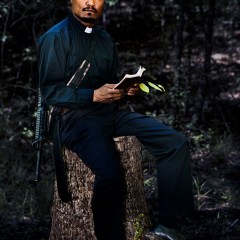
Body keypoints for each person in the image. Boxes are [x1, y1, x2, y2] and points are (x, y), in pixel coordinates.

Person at [37, 0, 194, 239]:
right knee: (109, 173)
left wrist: (125, 90)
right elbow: (50, 92)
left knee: (174, 143)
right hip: (74, 120)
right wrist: (92, 95)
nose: (90, 3)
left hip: (108, 113)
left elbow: (110, 85)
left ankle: (168, 225)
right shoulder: (56, 37)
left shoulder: (105, 40)